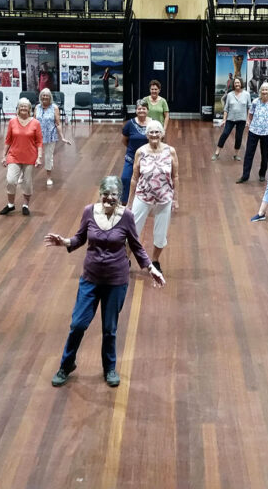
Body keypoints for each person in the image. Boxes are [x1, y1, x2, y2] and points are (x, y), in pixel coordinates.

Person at [44, 176, 165, 388]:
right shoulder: (89, 211)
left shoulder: (127, 216)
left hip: (116, 280)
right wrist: (65, 242)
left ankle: (109, 368)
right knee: (78, 324)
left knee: (110, 328)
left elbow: (136, 246)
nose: (109, 198)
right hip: (91, 278)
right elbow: (80, 238)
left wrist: (151, 268)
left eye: (114, 195)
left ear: (120, 196)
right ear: (100, 193)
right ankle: (67, 364)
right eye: (105, 194)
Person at [128, 120, 179, 274]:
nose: (154, 135)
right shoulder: (141, 152)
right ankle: (125, 260)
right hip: (143, 195)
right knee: (132, 230)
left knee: (160, 233)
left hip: (164, 197)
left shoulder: (171, 151)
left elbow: (175, 176)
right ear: (147, 134)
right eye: (151, 132)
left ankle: (155, 261)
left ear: (162, 134)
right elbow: (134, 178)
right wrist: (129, 202)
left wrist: (176, 199)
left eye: (157, 132)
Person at [0, 98, 42, 216]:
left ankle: (25, 205)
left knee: (27, 183)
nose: (23, 108)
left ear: (29, 109)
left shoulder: (35, 123)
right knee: (11, 180)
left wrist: (39, 157)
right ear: (17, 108)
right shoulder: (12, 121)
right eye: (21, 106)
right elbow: (8, 140)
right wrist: (4, 156)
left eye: (25, 106)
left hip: (30, 156)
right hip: (14, 155)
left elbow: (39, 142)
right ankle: (10, 205)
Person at [238, 83, 268, 184]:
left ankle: (262, 174)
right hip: (254, 131)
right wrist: (248, 122)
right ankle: (245, 176)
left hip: (266, 132)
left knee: (265, 155)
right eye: (262, 90)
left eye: (266, 90)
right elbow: (250, 114)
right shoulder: (255, 102)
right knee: (249, 154)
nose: (264, 92)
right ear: (260, 91)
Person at [36, 88, 72, 188]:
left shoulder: (54, 108)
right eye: (43, 95)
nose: (45, 97)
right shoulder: (37, 107)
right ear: (40, 96)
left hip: (50, 136)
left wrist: (62, 137)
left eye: (47, 95)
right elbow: (34, 122)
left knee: (48, 157)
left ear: (50, 97)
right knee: (32, 155)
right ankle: (23, 175)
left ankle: (48, 177)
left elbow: (58, 123)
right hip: (37, 136)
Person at [212, 77, 248, 161]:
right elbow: (226, 108)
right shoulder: (230, 95)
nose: (237, 84)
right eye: (235, 83)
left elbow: (249, 107)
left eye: (238, 82)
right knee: (224, 134)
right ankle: (217, 153)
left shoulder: (246, 94)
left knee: (238, 137)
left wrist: (248, 119)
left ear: (241, 83)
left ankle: (236, 155)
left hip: (241, 120)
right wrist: (224, 120)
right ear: (233, 84)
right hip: (230, 119)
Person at [120, 101, 149, 204]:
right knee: (125, 178)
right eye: (139, 109)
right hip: (131, 157)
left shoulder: (153, 123)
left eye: (143, 108)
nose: (141, 110)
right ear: (136, 110)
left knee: (146, 180)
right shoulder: (129, 123)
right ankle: (126, 202)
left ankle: (144, 201)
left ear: (147, 110)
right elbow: (124, 140)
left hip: (148, 158)